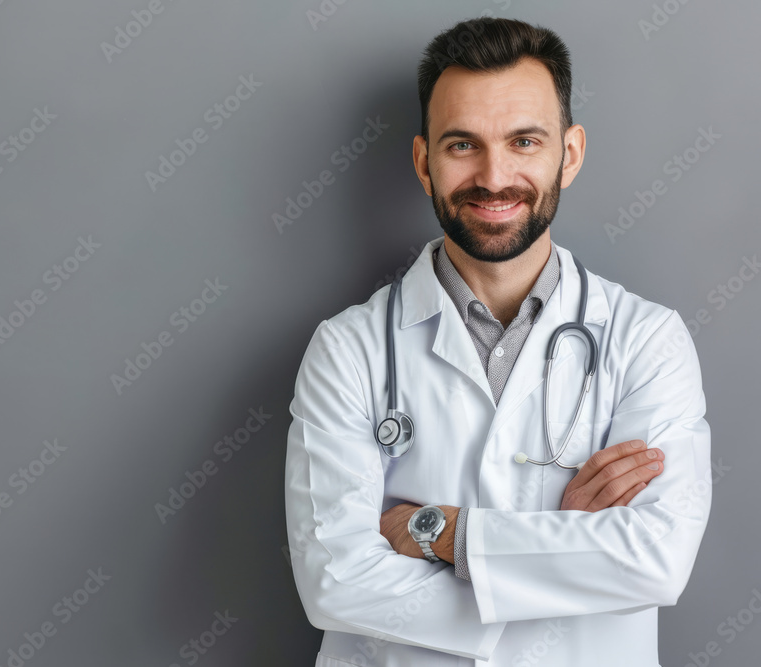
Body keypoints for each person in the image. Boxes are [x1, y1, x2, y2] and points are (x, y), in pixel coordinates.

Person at [284, 17, 711, 667]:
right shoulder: (349, 350)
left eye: (523, 140)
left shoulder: (647, 340)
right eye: (462, 145)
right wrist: (565, 549)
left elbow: (656, 559)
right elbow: (335, 582)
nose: (494, 174)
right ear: (425, 163)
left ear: (568, 154)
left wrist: (440, 532)